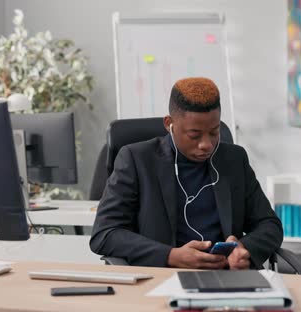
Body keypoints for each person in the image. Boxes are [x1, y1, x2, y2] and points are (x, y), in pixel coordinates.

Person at [90, 77, 283, 269]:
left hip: (228, 277)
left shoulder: (234, 160)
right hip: (162, 278)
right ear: (169, 124)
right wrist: (171, 256)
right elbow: (105, 234)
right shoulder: (136, 159)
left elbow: (269, 225)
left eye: (214, 132)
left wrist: (243, 248)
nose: (206, 144)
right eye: (194, 135)